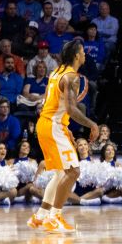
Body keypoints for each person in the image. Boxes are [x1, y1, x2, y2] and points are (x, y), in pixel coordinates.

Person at [28, 40, 97, 233]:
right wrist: (92, 124)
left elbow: (55, 105)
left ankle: (40, 216)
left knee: (61, 173)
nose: (85, 55)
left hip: (48, 124)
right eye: (83, 51)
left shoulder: (56, 72)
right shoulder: (72, 77)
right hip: (53, 127)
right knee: (73, 172)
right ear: (76, 55)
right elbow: (71, 109)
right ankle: (55, 217)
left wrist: (66, 128)